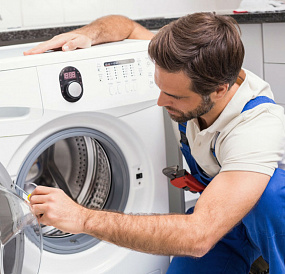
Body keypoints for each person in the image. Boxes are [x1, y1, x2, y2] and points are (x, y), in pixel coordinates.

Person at [27, 13, 285, 273]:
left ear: (219, 90)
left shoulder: (258, 126)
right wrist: (89, 35)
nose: (161, 102)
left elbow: (198, 235)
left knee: (271, 196)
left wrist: (82, 217)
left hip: (267, 221)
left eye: (174, 96)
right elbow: (126, 27)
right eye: (159, 87)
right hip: (221, 209)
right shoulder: (187, 62)